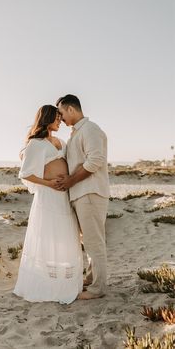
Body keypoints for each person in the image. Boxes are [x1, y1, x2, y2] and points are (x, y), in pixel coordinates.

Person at [13, 105, 83, 304]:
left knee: (65, 235)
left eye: (61, 119)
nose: (60, 121)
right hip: (48, 196)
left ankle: (65, 281)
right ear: (47, 118)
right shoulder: (36, 144)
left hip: (64, 195)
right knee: (49, 236)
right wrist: (49, 183)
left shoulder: (61, 141)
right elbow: (26, 173)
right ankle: (48, 284)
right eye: (57, 118)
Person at [56, 94, 110, 300]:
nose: (60, 118)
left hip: (90, 192)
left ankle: (99, 288)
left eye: (61, 113)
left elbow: (95, 160)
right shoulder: (75, 134)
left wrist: (70, 181)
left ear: (71, 109)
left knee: (94, 242)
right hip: (80, 194)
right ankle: (91, 278)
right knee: (88, 240)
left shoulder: (90, 130)